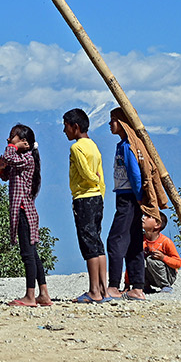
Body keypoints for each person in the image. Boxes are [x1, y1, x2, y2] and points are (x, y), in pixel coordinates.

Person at [0, 123, 52, 306]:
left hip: (23, 210)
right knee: (33, 253)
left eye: (13, 136)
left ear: (24, 143)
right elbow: (4, 172)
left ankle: (30, 295)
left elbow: (8, 156)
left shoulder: (26, 159)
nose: (9, 140)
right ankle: (43, 294)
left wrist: (12, 147)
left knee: (27, 253)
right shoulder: (20, 160)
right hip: (24, 210)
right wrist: (1, 167)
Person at [63, 108, 109, 303]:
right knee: (97, 243)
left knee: (88, 244)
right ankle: (103, 290)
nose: (64, 131)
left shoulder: (77, 148)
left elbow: (86, 172)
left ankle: (93, 292)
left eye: (66, 126)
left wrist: (93, 180)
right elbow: (101, 174)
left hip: (84, 198)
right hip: (97, 197)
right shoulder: (94, 146)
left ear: (75, 127)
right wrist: (100, 191)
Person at [105, 108, 146, 299]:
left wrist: (138, 196)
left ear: (122, 123)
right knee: (134, 240)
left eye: (113, 120)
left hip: (128, 197)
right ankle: (137, 287)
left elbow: (134, 173)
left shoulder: (127, 146)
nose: (110, 124)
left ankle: (113, 285)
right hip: (129, 196)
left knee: (115, 239)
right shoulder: (123, 144)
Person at [142, 210, 181, 292]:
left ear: (157, 224)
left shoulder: (166, 242)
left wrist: (163, 258)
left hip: (167, 276)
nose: (143, 218)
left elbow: (178, 263)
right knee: (137, 259)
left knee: (151, 260)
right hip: (151, 276)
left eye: (149, 217)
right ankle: (145, 286)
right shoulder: (140, 240)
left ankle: (165, 286)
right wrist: (127, 284)